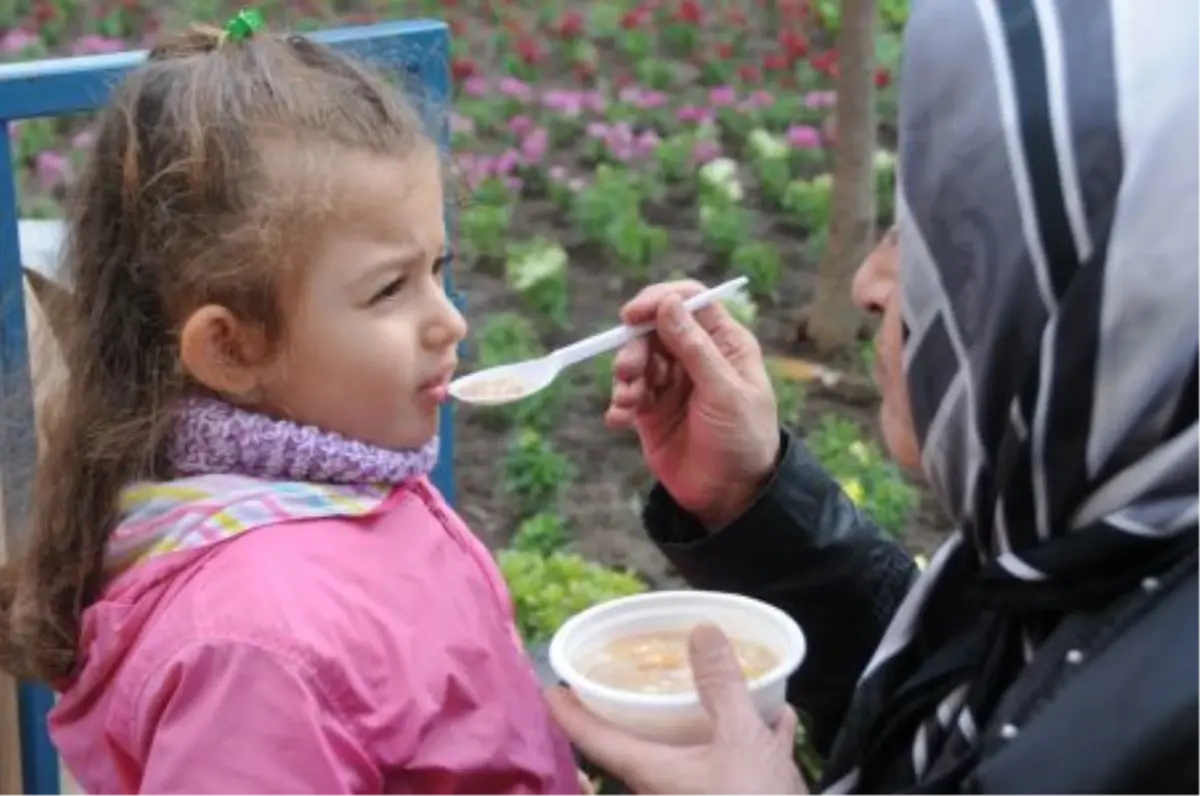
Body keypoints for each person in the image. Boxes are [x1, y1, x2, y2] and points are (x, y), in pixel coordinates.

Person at [548, 1, 1200, 793]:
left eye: (937, 240)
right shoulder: (1087, 553)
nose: (868, 284)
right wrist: (754, 501)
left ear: (1116, 296)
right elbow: (948, 687)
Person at [0, 24, 585, 794]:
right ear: (231, 349)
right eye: (388, 289)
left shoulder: (352, 485)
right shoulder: (251, 650)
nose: (450, 321)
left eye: (438, 267)